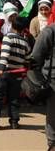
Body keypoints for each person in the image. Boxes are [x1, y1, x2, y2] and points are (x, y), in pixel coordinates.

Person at [0, 16, 30, 129]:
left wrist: (0, 69)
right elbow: (27, 58)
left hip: (5, 72)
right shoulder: (25, 42)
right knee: (14, 98)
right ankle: (14, 121)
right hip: (18, 74)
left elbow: (5, 54)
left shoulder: (8, 37)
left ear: (12, 25)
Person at [30, 21, 55, 149]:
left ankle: (52, 144)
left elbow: (36, 55)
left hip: (53, 80)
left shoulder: (50, 31)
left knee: (53, 114)